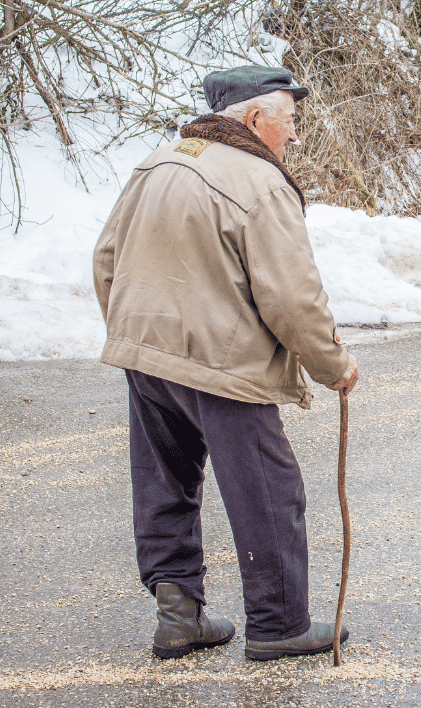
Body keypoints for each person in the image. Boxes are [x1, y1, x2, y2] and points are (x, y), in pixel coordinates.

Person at [93, 66, 359, 661]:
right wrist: (331, 363)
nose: (293, 136)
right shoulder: (260, 182)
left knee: (165, 483)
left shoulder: (157, 162)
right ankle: (280, 625)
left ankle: (178, 615)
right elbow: (292, 296)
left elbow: (106, 257)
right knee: (269, 490)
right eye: (289, 121)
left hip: (146, 352)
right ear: (256, 118)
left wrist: (134, 331)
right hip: (220, 361)